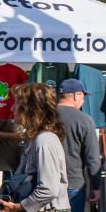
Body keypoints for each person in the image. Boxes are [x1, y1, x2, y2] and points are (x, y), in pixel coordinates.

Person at [0, 83, 71, 211]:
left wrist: (19, 207)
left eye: (17, 104)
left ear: (30, 109)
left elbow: (48, 189)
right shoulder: (34, 139)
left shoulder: (45, 140)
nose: (12, 108)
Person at [56, 78, 103, 212]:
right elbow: (93, 158)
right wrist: (96, 187)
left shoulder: (44, 116)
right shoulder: (84, 120)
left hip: (44, 184)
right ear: (76, 95)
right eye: (83, 96)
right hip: (73, 185)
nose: (83, 100)